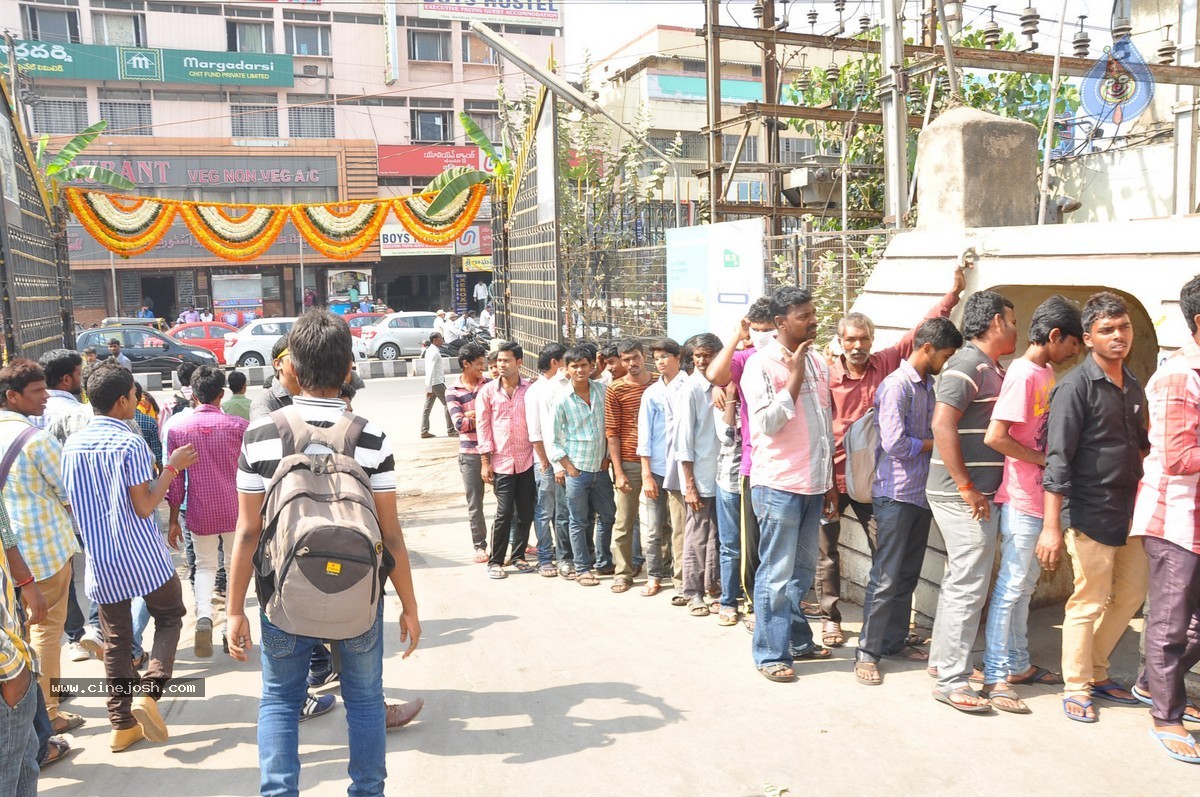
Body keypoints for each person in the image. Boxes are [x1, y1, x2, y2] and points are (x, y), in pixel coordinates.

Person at [226, 310, 421, 795]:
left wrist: (233, 610)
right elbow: (391, 535)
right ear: (349, 368)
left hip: (282, 597)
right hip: (359, 596)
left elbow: (247, 532)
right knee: (366, 700)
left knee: (278, 701)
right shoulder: (371, 436)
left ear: (291, 367)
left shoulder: (260, 434)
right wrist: (410, 606)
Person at [816, 266, 966, 648]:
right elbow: (818, 431)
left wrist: (952, 296)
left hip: (874, 479)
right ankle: (830, 619)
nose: (857, 345)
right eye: (850, 339)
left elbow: (922, 334)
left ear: (872, 339)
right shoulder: (826, 377)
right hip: (835, 476)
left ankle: (888, 634)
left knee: (886, 554)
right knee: (827, 551)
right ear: (839, 342)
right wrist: (826, 482)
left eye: (864, 338)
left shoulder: (884, 363)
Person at [62, 362, 198, 752]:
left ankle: (121, 725)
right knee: (170, 617)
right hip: (141, 555)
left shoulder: (72, 445)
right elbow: (145, 505)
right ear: (123, 401)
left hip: (101, 559)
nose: (138, 401)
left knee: (117, 641)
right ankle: (149, 693)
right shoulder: (130, 443)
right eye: (136, 395)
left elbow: (72, 503)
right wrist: (172, 468)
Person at [1038, 292, 1150, 723]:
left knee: (1132, 594)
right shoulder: (1074, 388)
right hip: (1089, 511)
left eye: (1123, 327)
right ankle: (1077, 686)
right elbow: (1057, 461)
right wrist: (1051, 527)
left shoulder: (1132, 383)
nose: (1118, 336)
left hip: (1131, 510)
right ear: (1088, 338)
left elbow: (1142, 447)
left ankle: (1097, 671)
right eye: (1107, 330)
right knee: (1088, 601)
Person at [980, 297, 1083, 693]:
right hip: (1021, 498)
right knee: (1011, 587)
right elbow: (996, 437)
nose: (1075, 352)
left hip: (1040, 498)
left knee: (1023, 587)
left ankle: (1017, 663)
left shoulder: (1045, 372)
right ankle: (995, 673)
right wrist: (1045, 460)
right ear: (1055, 335)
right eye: (1073, 343)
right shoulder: (1023, 374)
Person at [853, 318, 962, 687]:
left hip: (920, 494)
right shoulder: (897, 386)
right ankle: (867, 652)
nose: (946, 363)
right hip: (895, 494)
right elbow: (895, 444)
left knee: (907, 575)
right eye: (945, 355)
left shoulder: (929, 386)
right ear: (927, 348)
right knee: (885, 577)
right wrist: (939, 443)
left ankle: (893, 641)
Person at [924, 290, 1017, 712]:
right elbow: (942, 423)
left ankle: (942, 662)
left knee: (960, 581)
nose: (1015, 329)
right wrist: (965, 485)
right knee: (968, 586)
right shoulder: (966, 364)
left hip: (975, 493)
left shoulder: (989, 366)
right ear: (996, 322)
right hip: (961, 495)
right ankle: (952, 680)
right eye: (1012, 321)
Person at [742, 286, 837, 681]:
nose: (814, 321)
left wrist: (828, 482)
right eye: (804, 316)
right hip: (779, 486)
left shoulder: (816, 360)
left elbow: (823, 427)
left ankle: (797, 640)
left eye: (813, 313)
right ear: (781, 322)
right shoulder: (760, 365)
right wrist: (793, 379)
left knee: (800, 573)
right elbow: (767, 423)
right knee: (777, 574)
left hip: (812, 484)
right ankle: (770, 654)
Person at [1130, 275, 1200, 763]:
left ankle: (1150, 684)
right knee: (1171, 625)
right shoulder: (1180, 377)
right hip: (1174, 519)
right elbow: (1178, 457)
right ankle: (1166, 715)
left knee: (1190, 625)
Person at [0, 360, 84, 736]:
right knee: (47, 632)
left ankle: (28, 707)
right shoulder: (37, 440)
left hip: (7, 556)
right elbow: (69, 493)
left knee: (15, 633)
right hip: (44, 551)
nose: (46, 396)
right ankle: (48, 714)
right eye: (37, 390)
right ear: (12, 397)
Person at [165, 366, 248, 659]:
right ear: (221, 394)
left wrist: (173, 520)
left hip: (200, 509)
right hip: (236, 509)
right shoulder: (239, 427)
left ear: (194, 395)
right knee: (234, 566)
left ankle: (204, 615)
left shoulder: (178, 430)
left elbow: (175, 480)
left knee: (204, 566)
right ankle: (230, 628)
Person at [705, 297, 776, 628]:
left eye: (768, 330)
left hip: (779, 469)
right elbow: (715, 375)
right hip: (740, 470)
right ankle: (737, 601)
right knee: (738, 544)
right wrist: (736, 336)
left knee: (765, 545)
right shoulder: (743, 362)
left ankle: (762, 603)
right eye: (756, 330)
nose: (762, 337)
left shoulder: (796, 360)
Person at [550, 345, 615, 588]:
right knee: (578, 521)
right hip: (577, 471)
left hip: (601, 469)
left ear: (591, 367)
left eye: (584, 365)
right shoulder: (561, 400)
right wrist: (569, 468)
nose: (579, 370)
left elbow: (610, 427)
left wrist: (607, 456)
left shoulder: (602, 391)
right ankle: (582, 568)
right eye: (574, 366)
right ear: (567, 369)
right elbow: (553, 440)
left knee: (607, 516)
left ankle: (603, 561)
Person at [676, 333, 725, 617]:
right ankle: (693, 592)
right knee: (697, 535)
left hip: (723, 475)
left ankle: (713, 587)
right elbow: (683, 442)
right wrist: (689, 485)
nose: (703, 361)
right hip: (700, 476)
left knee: (718, 535)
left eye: (708, 355)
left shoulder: (723, 385)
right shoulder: (691, 389)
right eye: (698, 356)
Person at [477, 341, 536, 579]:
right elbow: (483, 427)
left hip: (527, 459)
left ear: (519, 362)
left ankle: (519, 556)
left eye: (507, 360)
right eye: (499, 361)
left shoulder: (530, 389)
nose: (501, 365)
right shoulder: (488, 392)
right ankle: (496, 560)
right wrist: (485, 462)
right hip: (501, 462)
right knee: (504, 512)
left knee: (525, 511)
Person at [637, 338, 687, 598]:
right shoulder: (652, 393)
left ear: (678, 358)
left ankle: (682, 580)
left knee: (681, 528)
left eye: (665, 356)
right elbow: (644, 434)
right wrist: (646, 473)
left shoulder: (689, 387)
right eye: (656, 358)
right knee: (655, 528)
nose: (660, 362)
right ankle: (655, 574)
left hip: (681, 468)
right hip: (656, 467)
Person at [605, 339, 656, 593]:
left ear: (643, 355)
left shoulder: (659, 383)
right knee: (624, 521)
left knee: (663, 521)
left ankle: (661, 569)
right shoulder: (615, 389)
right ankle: (623, 573)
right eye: (626, 359)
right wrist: (619, 471)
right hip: (629, 462)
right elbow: (612, 432)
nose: (631, 363)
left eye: (635, 357)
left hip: (659, 462)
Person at [0, 496, 40, 795]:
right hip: (8, 671)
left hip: (13, 654)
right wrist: (12, 670)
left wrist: (26, 581)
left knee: (25, 764)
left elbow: (4, 529)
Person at [526, 343, 570, 578]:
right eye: (564, 360)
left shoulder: (560, 385)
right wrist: (545, 461)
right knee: (545, 510)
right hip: (546, 461)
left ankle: (561, 553)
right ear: (555, 362)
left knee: (560, 511)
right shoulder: (538, 391)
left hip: (561, 459)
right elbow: (536, 432)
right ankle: (545, 556)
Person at [447, 343, 491, 562]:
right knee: (475, 504)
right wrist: (481, 415)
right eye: (479, 364)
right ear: (466, 364)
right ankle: (480, 546)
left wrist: (472, 414)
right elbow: (459, 424)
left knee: (508, 501)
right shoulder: (452, 391)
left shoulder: (490, 385)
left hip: (493, 451)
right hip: (469, 454)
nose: (483, 368)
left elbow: (497, 417)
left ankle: (510, 540)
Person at [250, 336, 296, 421]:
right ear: (278, 364)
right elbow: (263, 428)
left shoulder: (317, 395)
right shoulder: (264, 402)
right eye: (296, 355)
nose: (303, 361)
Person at [421, 333, 455, 439]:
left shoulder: (430, 350)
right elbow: (430, 370)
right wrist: (428, 388)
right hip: (436, 383)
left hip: (432, 383)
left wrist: (428, 386)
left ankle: (424, 430)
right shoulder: (434, 353)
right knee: (448, 403)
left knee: (427, 407)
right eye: (441, 339)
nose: (442, 340)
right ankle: (451, 430)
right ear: (435, 340)